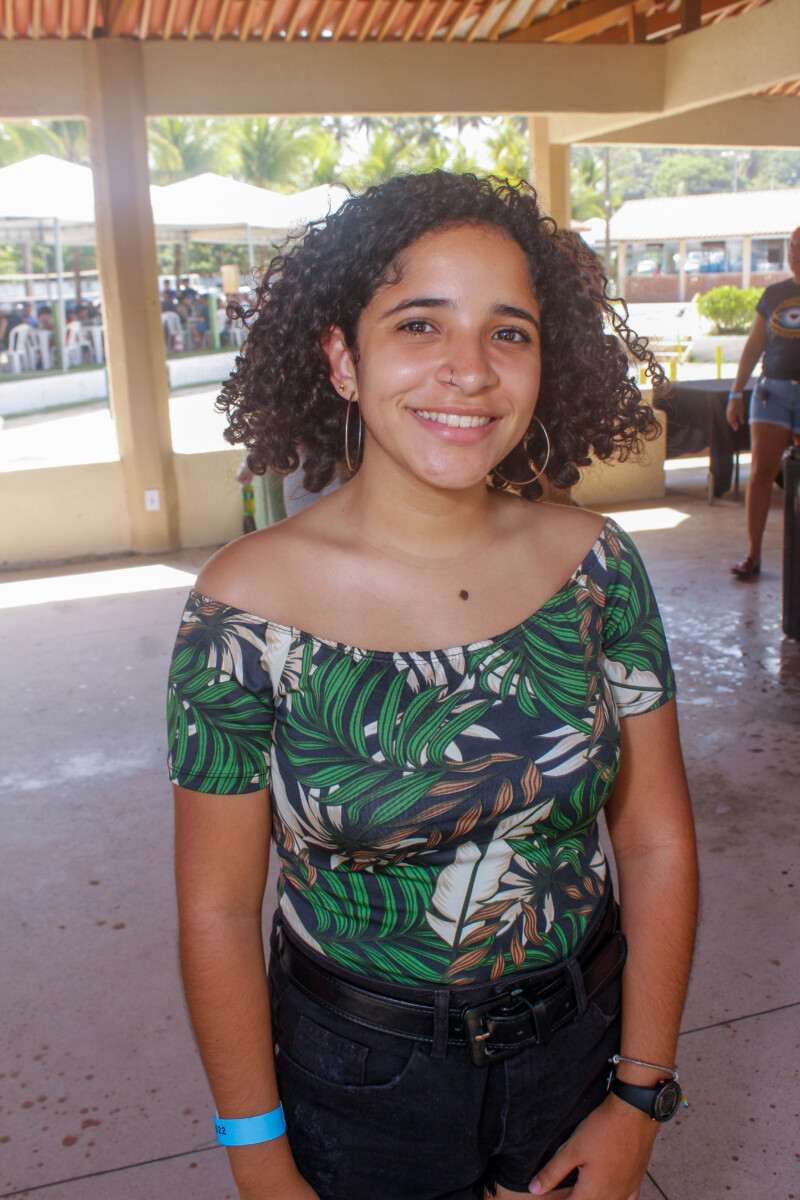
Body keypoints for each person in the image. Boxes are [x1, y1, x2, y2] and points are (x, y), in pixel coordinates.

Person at [167, 172, 698, 1200]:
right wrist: (259, 1160)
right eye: (420, 324)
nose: (470, 371)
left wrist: (639, 1094)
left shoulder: (596, 567)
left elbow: (655, 842)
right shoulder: (242, 609)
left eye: (509, 333)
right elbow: (217, 913)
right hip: (359, 1080)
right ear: (342, 358)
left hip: (578, 1042)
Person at [727, 225, 800, 579]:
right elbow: (754, 345)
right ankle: (753, 555)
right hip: (773, 393)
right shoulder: (774, 294)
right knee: (760, 473)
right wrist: (735, 393)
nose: (794, 252)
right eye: (791, 245)